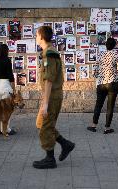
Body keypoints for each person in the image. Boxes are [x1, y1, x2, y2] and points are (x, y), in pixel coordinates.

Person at [34, 26, 75, 169]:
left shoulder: (50, 53)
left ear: (41, 36)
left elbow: (49, 79)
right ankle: (65, 144)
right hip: (50, 96)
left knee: (45, 127)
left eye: (36, 34)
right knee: (41, 123)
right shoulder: (48, 52)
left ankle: (50, 159)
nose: (35, 37)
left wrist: (45, 103)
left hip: (51, 97)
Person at [87, 38, 118, 134]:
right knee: (110, 106)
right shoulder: (116, 54)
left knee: (98, 104)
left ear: (106, 45)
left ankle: (93, 125)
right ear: (114, 45)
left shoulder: (100, 54)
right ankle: (107, 128)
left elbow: (95, 68)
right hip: (112, 83)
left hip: (101, 83)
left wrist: (96, 77)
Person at [0, 44, 16, 135]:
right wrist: (13, 88)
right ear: (6, 51)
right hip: (5, 84)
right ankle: (6, 129)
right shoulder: (7, 60)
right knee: (7, 109)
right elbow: (10, 75)